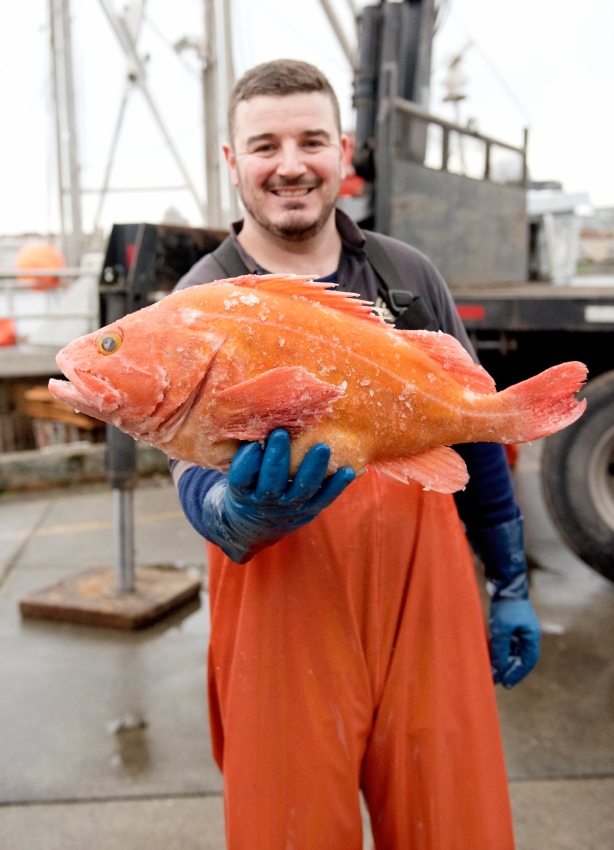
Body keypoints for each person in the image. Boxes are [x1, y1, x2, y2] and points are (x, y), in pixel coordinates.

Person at [170, 59, 540, 850]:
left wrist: (509, 579)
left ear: (343, 152)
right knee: (288, 827)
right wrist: (227, 513)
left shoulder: (409, 278)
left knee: (454, 821)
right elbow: (186, 460)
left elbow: (477, 433)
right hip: (280, 596)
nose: (291, 165)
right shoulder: (199, 298)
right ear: (233, 163)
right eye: (265, 145)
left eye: (311, 141)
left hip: (423, 590)